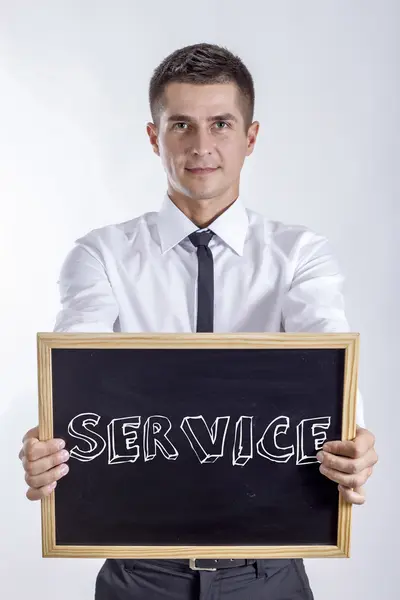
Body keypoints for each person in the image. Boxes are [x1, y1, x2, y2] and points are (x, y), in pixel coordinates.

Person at [19, 43, 378, 600]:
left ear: (250, 137)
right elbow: (73, 376)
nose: (202, 146)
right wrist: (49, 441)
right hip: (141, 575)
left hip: (267, 573)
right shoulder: (101, 256)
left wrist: (355, 440)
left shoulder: (300, 256)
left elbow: (329, 359)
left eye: (221, 124)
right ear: (153, 136)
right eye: (181, 124)